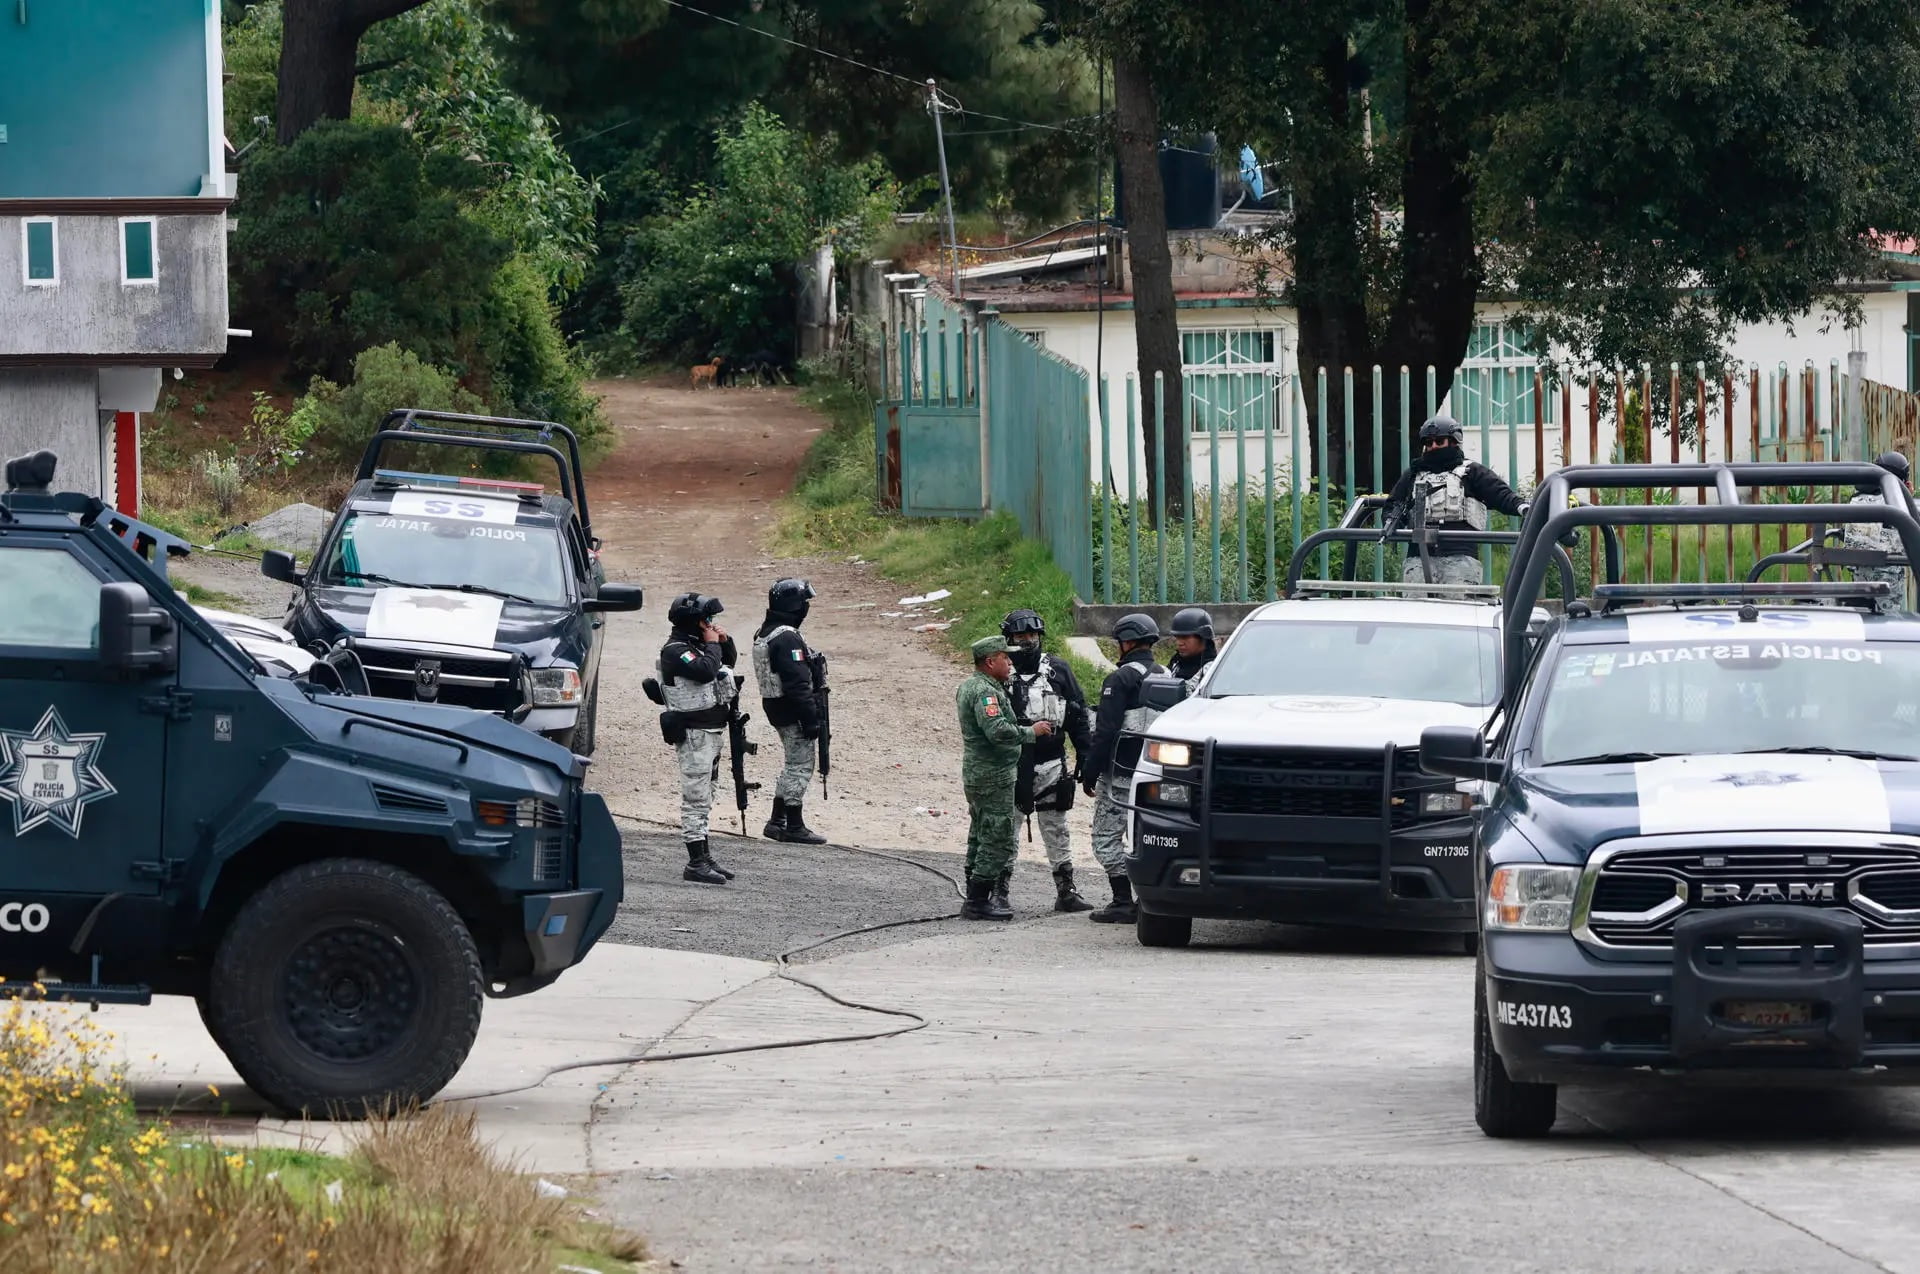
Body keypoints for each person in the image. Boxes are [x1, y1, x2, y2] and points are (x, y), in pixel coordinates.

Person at [1000, 609, 1095, 913]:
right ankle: (999, 891)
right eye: (1019, 636)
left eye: (1032, 635)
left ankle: (1066, 890)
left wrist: (1086, 756)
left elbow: (1079, 717)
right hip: (1012, 764)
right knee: (1006, 827)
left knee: (1056, 826)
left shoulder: (1058, 670)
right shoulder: (999, 672)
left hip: (1053, 763)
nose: (1027, 641)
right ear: (1009, 639)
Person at [957, 635, 1054, 920]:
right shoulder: (986, 692)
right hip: (993, 774)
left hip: (980, 773)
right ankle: (978, 899)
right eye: (1005, 658)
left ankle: (975, 894)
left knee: (980, 833)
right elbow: (997, 731)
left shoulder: (973, 686)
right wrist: (1030, 733)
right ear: (990, 662)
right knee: (998, 836)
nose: (1010, 662)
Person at [1081, 613, 1170, 924]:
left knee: (1105, 837)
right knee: (1149, 836)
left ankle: (1122, 900)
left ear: (1128, 642)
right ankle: (1152, 898)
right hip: (1156, 775)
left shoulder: (1119, 679)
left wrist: (1089, 771)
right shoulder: (1167, 675)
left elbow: (1105, 731)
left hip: (1119, 774)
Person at [1386, 415, 1527, 586]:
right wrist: (1392, 522)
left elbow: (1501, 494)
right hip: (1418, 558)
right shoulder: (1413, 474)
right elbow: (1393, 504)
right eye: (1428, 443)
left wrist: (1523, 508)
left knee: (1458, 607)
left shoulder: (1471, 472)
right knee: (1417, 609)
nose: (1433, 447)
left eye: (1439, 441)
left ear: (1453, 442)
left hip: (1460, 558)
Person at [658, 592, 739, 885]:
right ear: (693, 621)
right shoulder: (676, 650)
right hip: (694, 733)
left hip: (711, 731)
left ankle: (704, 856)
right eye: (706, 619)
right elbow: (706, 671)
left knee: (707, 796)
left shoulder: (696, 644)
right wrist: (711, 644)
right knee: (695, 798)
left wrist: (723, 640)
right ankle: (695, 863)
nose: (710, 624)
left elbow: (726, 661)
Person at [752, 578, 827, 844]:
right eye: (803, 602)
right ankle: (793, 825)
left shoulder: (765, 632)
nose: (806, 607)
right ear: (794, 605)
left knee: (792, 763)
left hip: (777, 707)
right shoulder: (786, 637)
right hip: (791, 710)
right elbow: (797, 684)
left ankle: (777, 821)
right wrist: (810, 719)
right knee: (801, 766)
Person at [1844, 451, 1914, 613]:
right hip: (1889, 579)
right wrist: (1907, 497)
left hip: (1859, 577)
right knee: (1892, 623)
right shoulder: (1895, 500)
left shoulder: (1856, 499)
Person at [1168, 607, 1218, 696]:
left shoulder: (1214, 669)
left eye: (1185, 637)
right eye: (1177, 637)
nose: (1179, 643)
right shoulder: (1176, 663)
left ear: (1203, 638)